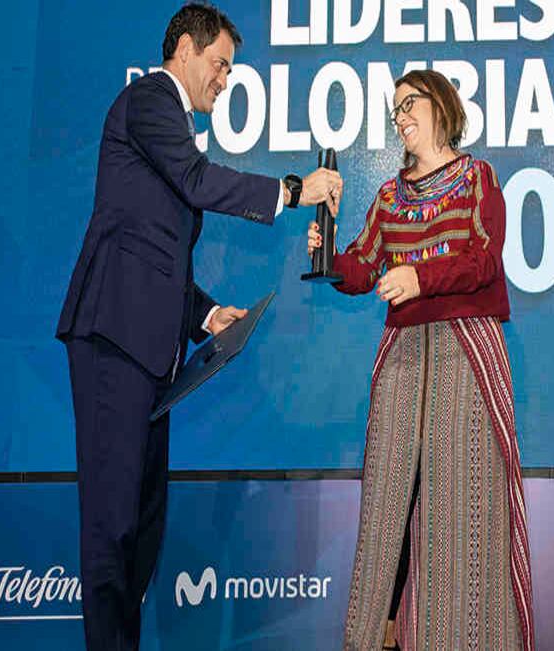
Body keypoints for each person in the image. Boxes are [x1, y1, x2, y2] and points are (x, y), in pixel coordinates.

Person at [55, 4, 343, 649]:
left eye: (231, 70)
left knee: (142, 525)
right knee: (113, 523)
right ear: (183, 48)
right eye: (219, 65)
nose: (225, 80)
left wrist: (206, 314)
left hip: (150, 353)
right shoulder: (150, 98)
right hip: (113, 340)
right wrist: (293, 191)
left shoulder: (165, 127)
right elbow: (195, 181)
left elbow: (154, 253)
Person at [308, 69, 534, 651]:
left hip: (467, 351)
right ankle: (374, 639)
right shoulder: (388, 194)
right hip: (405, 354)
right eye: (395, 111)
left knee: (467, 506)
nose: (400, 117)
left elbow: (485, 260)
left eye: (409, 104)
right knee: (388, 504)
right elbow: (360, 267)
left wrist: (420, 276)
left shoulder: (478, 177)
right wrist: (330, 256)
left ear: (441, 105)